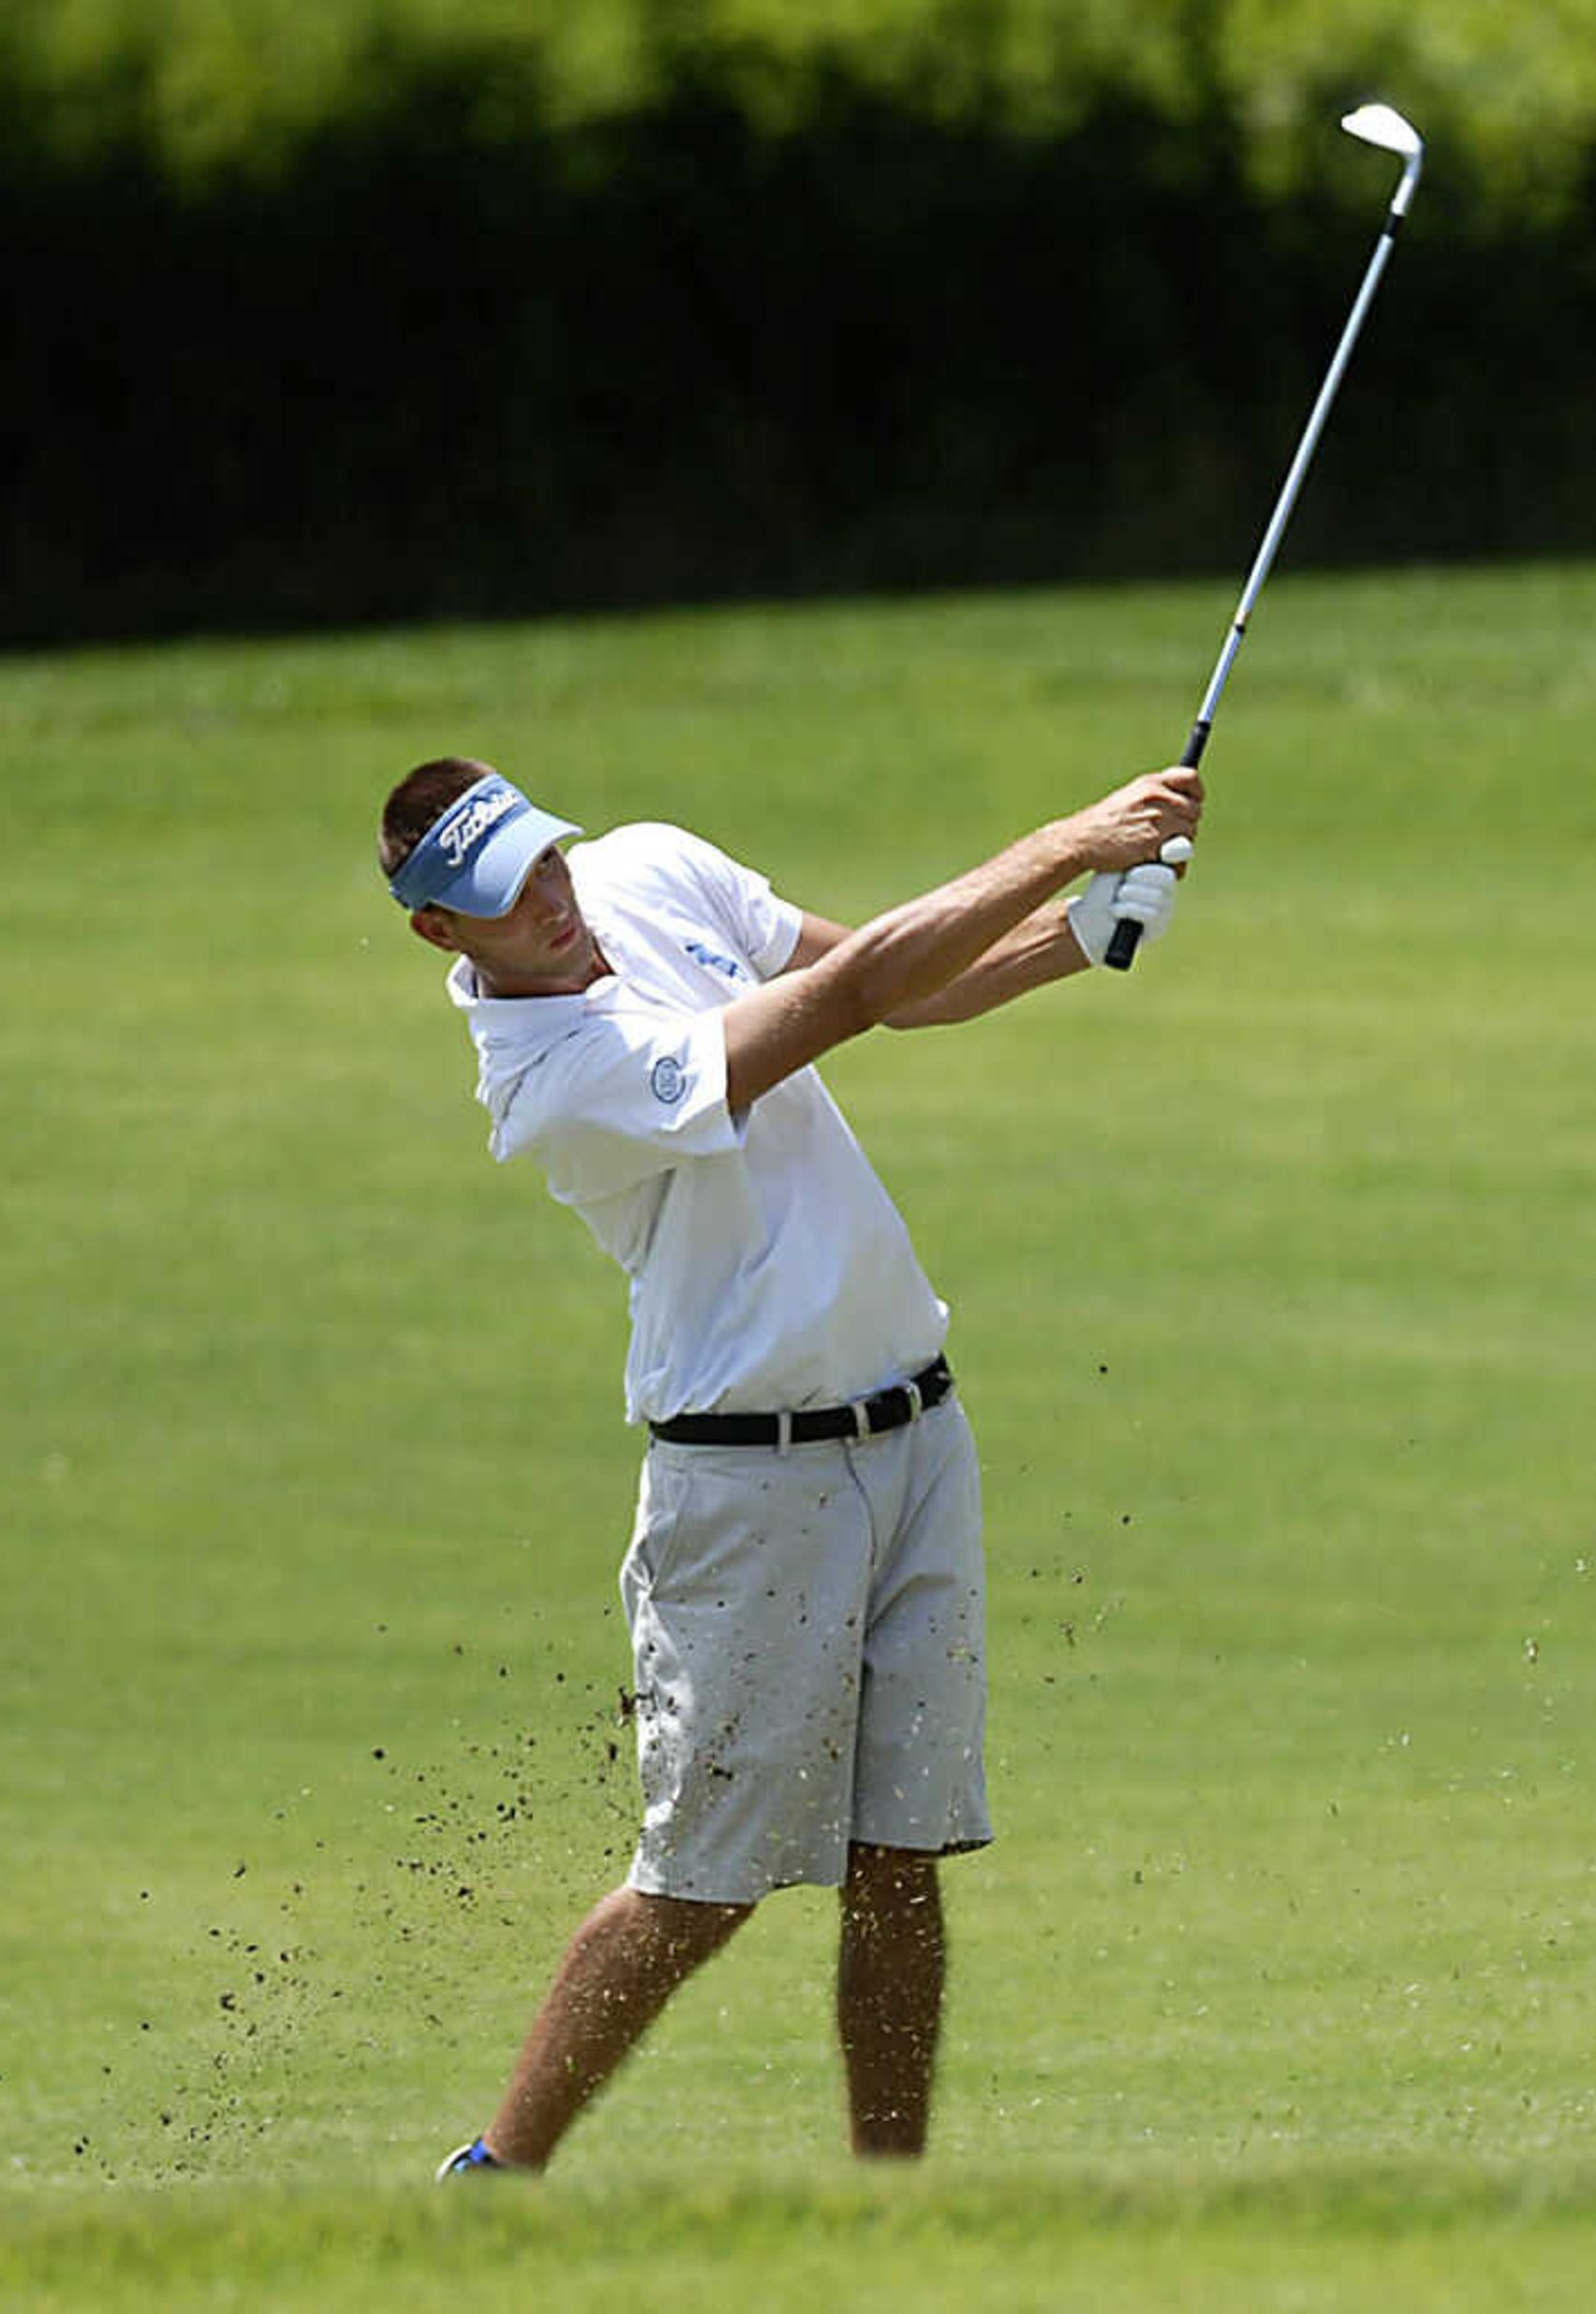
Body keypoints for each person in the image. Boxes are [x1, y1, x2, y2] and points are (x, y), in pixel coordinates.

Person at [377, 752, 1201, 2176]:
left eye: (545, 861)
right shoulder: (554, 1081)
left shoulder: (642, 868)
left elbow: (914, 982)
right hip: (750, 1487)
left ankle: (892, 2212)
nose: (554, 901)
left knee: (899, 1869)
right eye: (508, 899)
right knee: (702, 1889)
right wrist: (1070, 837)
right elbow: (856, 992)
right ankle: (493, 2184)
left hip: (918, 1437)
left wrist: (1075, 935)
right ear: (443, 933)